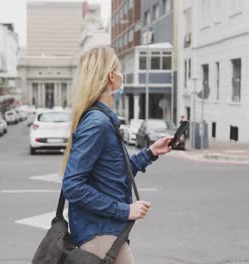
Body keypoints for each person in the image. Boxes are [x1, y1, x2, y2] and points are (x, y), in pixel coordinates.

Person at [61, 46, 173, 263]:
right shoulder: (98, 122)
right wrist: (125, 210)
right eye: (120, 70)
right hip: (100, 235)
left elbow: (113, 173)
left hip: (106, 232)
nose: (123, 77)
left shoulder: (103, 119)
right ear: (112, 76)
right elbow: (72, 186)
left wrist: (150, 152)